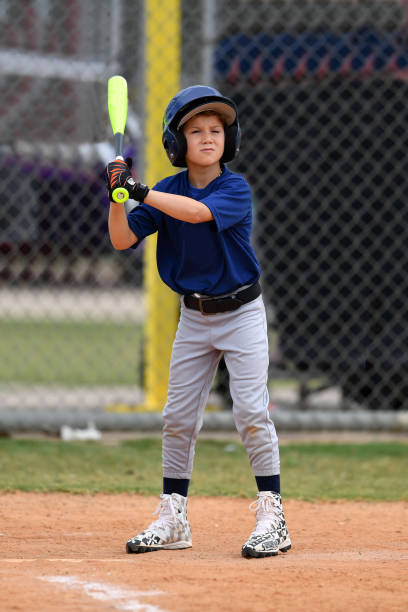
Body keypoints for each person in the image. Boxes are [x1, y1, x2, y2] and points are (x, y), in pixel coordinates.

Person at [104, 85, 291, 558]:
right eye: (195, 131)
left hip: (243, 313)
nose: (208, 137)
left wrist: (142, 190)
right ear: (175, 143)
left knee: (250, 413)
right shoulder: (166, 192)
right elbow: (123, 239)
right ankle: (173, 517)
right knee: (177, 419)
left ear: (230, 140)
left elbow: (196, 213)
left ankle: (273, 515)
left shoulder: (234, 189)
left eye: (216, 130)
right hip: (194, 317)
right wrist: (117, 196)